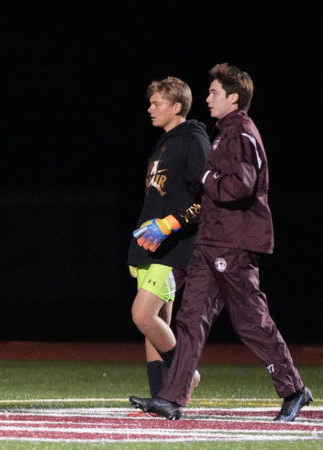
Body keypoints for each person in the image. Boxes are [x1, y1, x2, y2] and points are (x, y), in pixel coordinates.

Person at [129, 63, 313, 421]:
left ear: (233, 97)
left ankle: (293, 388)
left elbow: (239, 185)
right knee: (190, 320)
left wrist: (205, 176)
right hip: (210, 242)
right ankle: (172, 398)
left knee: (250, 320)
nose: (207, 98)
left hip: (233, 242)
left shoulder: (241, 132)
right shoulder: (222, 133)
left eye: (213, 93)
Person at [128, 77, 209, 402]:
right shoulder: (164, 143)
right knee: (155, 323)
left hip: (175, 247)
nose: (150, 109)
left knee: (142, 315)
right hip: (151, 247)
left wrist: (170, 224)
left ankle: (187, 374)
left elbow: (206, 198)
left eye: (156, 103)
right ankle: (162, 397)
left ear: (176, 107)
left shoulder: (194, 141)